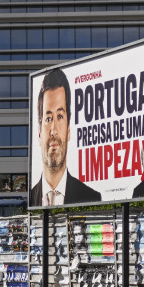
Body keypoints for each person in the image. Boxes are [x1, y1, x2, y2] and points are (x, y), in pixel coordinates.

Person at [30, 68, 102, 206]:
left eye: (60, 116)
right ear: (39, 133)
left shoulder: (91, 198)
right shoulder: (30, 199)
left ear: (69, 129)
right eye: (48, 118)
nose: (54, 131)